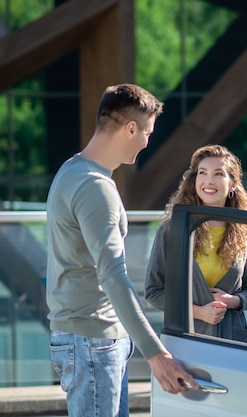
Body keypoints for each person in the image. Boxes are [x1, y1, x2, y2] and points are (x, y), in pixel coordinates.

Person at [45, 83, 198, 417]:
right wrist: (157, 355)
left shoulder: (71, 171)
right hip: (93, 342)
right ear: (131, 128)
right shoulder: (95, 188)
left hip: (83, 338)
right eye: (146, 132)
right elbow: (113, 276)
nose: (147, 141)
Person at [144, 144, 247, 342]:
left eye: (218, 174)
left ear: (233, 184)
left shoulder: (244, 231)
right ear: (194, 179)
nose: (209, 180)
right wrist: (198, 312)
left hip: (232, 341)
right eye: (203, 173)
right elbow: (153, 291)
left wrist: (233, 301)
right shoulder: (173, 229)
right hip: (186, 340)